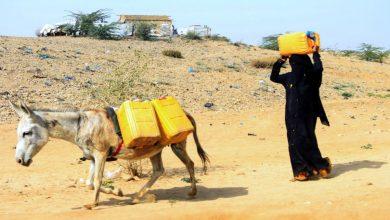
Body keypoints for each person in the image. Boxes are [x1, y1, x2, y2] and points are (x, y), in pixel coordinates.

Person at [270, 47, 332, 181]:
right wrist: (315, 54)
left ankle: (304, 170)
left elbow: (273, 77)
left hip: (297, 114)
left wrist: (281, 60)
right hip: (303, 114)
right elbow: (319, 68)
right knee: (307, 138)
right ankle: (317, 168)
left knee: (297, 140)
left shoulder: (298, 77)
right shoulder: (307, 76)